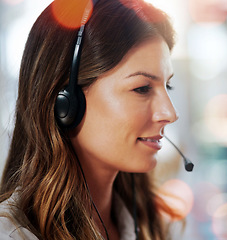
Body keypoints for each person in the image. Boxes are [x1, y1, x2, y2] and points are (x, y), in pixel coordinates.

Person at [0, 0, 184, 239]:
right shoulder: (12, 234)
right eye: (142, 88)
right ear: (67, 102)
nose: (170, 113)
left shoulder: (159, 226)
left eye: (167, 85)